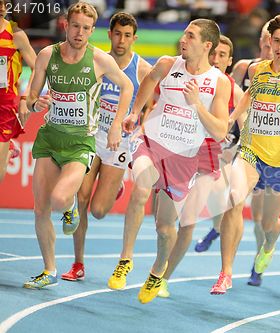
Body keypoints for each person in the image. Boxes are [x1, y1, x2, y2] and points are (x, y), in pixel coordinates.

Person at [108, 18, 230, 305]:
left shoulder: (218, 82)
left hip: (183, 157)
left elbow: (221, 130)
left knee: (165, 228)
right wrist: (135, 113)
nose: (183, 40)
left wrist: (198, 104)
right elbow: (148, 82)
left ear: (207, 45)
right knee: (141, 187)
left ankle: (157, 271)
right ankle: (126, 259)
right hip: (151, 142)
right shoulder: (167, 64)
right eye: (184, 34)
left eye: (190, 36)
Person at [23, 2, 133, 289]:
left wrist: (118, 123)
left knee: (60, 200)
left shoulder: (99, 60)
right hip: (50, 138)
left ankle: (69, 206)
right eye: (75, 26)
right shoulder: (48, 55)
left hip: (80, 143)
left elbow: (127, 87)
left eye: (86, 28)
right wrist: (36, 103)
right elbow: (32, 95)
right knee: (40, 209)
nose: (80, 32)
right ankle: (49, 270)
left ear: (92, 31)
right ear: (65, 25)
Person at [210, 11, 280, 295]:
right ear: (269, 41)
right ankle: (226, 272)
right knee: (234, 199)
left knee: (268, 223)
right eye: (276, 40)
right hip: (251, 150)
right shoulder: (258, 70)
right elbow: (247, 96)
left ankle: (270, 242)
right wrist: (230, 121)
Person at [60, 12, 151, 282]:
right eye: (117, 34)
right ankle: (78, 263)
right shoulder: (96, 59)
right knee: (81, 199)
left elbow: (149, 107)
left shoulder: (142, 68)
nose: (121, 40)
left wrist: (140, 127)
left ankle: (114, 189)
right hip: (91, 136)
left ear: (134, 39)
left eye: (127, 35)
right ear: (109, 34)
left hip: (119, 143)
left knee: (99, 210)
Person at [156, 35, 244, 298]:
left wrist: (232, 158)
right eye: (214, 53)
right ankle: (162, 265)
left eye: (222, 55)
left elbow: (244, 132)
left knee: (189, 221)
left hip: (210, 159)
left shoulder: (231, 89)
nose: (216, 59)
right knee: (164, 222)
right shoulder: (189, 77)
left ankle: (164, 278)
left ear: (230, 61)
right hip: (179, 152)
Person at [195, 21, 274, 288]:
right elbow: (231, 98)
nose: (268, 46)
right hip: (239, 146)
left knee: (265, 220)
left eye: (273, 41)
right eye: (265, 40)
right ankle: (218, 235)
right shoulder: (244, 68)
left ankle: (261, 258)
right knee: (230, 198)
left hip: (271, 152)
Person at [0, 0, 36, 182]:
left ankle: (6, 152)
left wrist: (25, 98)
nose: (0, 7)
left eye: (4, 3)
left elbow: (39, 68)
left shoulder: (16, 35)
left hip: (5, 106)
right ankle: (8, 149)